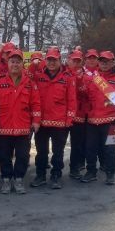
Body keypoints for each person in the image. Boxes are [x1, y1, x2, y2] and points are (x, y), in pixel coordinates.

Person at [0, 49, 41, 195]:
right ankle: (6, 179)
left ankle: (18, 179)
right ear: (8, 63)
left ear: (22, 64)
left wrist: (36, 121)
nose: (15, 65)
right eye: (12, 61)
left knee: (23, 156)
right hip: (3, 126)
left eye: (18, 62)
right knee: (4, 156)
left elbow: (36, 104)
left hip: (23, 127)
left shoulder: (30, 83)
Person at [30, 47, 76, 189]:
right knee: (41, 151)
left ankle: (56, 175)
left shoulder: (67, 78)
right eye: (49, 60)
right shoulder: (38, 76)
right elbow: (27, 76)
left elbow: (72, 100)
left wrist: (69, 119)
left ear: (59, 61)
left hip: (60, 122)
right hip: (41, 122)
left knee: (58, 152)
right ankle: (40, 175)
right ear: (45, 61)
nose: (51, 63)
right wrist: (33, 65)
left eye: (54, 60)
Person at [82, 50, 115, 185]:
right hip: (92, 120)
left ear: (113, 62)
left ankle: (110, 174)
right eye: (102, 61)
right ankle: (91, 172)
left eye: (107, 61)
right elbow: (85, 97)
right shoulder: (92, 77)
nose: (104, 64)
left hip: (112, 120)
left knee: (110, 150)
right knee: (90, 148)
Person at [66, 49, 87, 180]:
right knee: (59, 145)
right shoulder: (62, 73)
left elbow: (86, 93)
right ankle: (55, 170)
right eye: (73, 60)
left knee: (77, 144)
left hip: (78, 115)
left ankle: (74, 168)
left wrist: (79, 81)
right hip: (62, 115)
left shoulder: (87, 75)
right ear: (69, 60)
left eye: (78, 61)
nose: (76, 63)